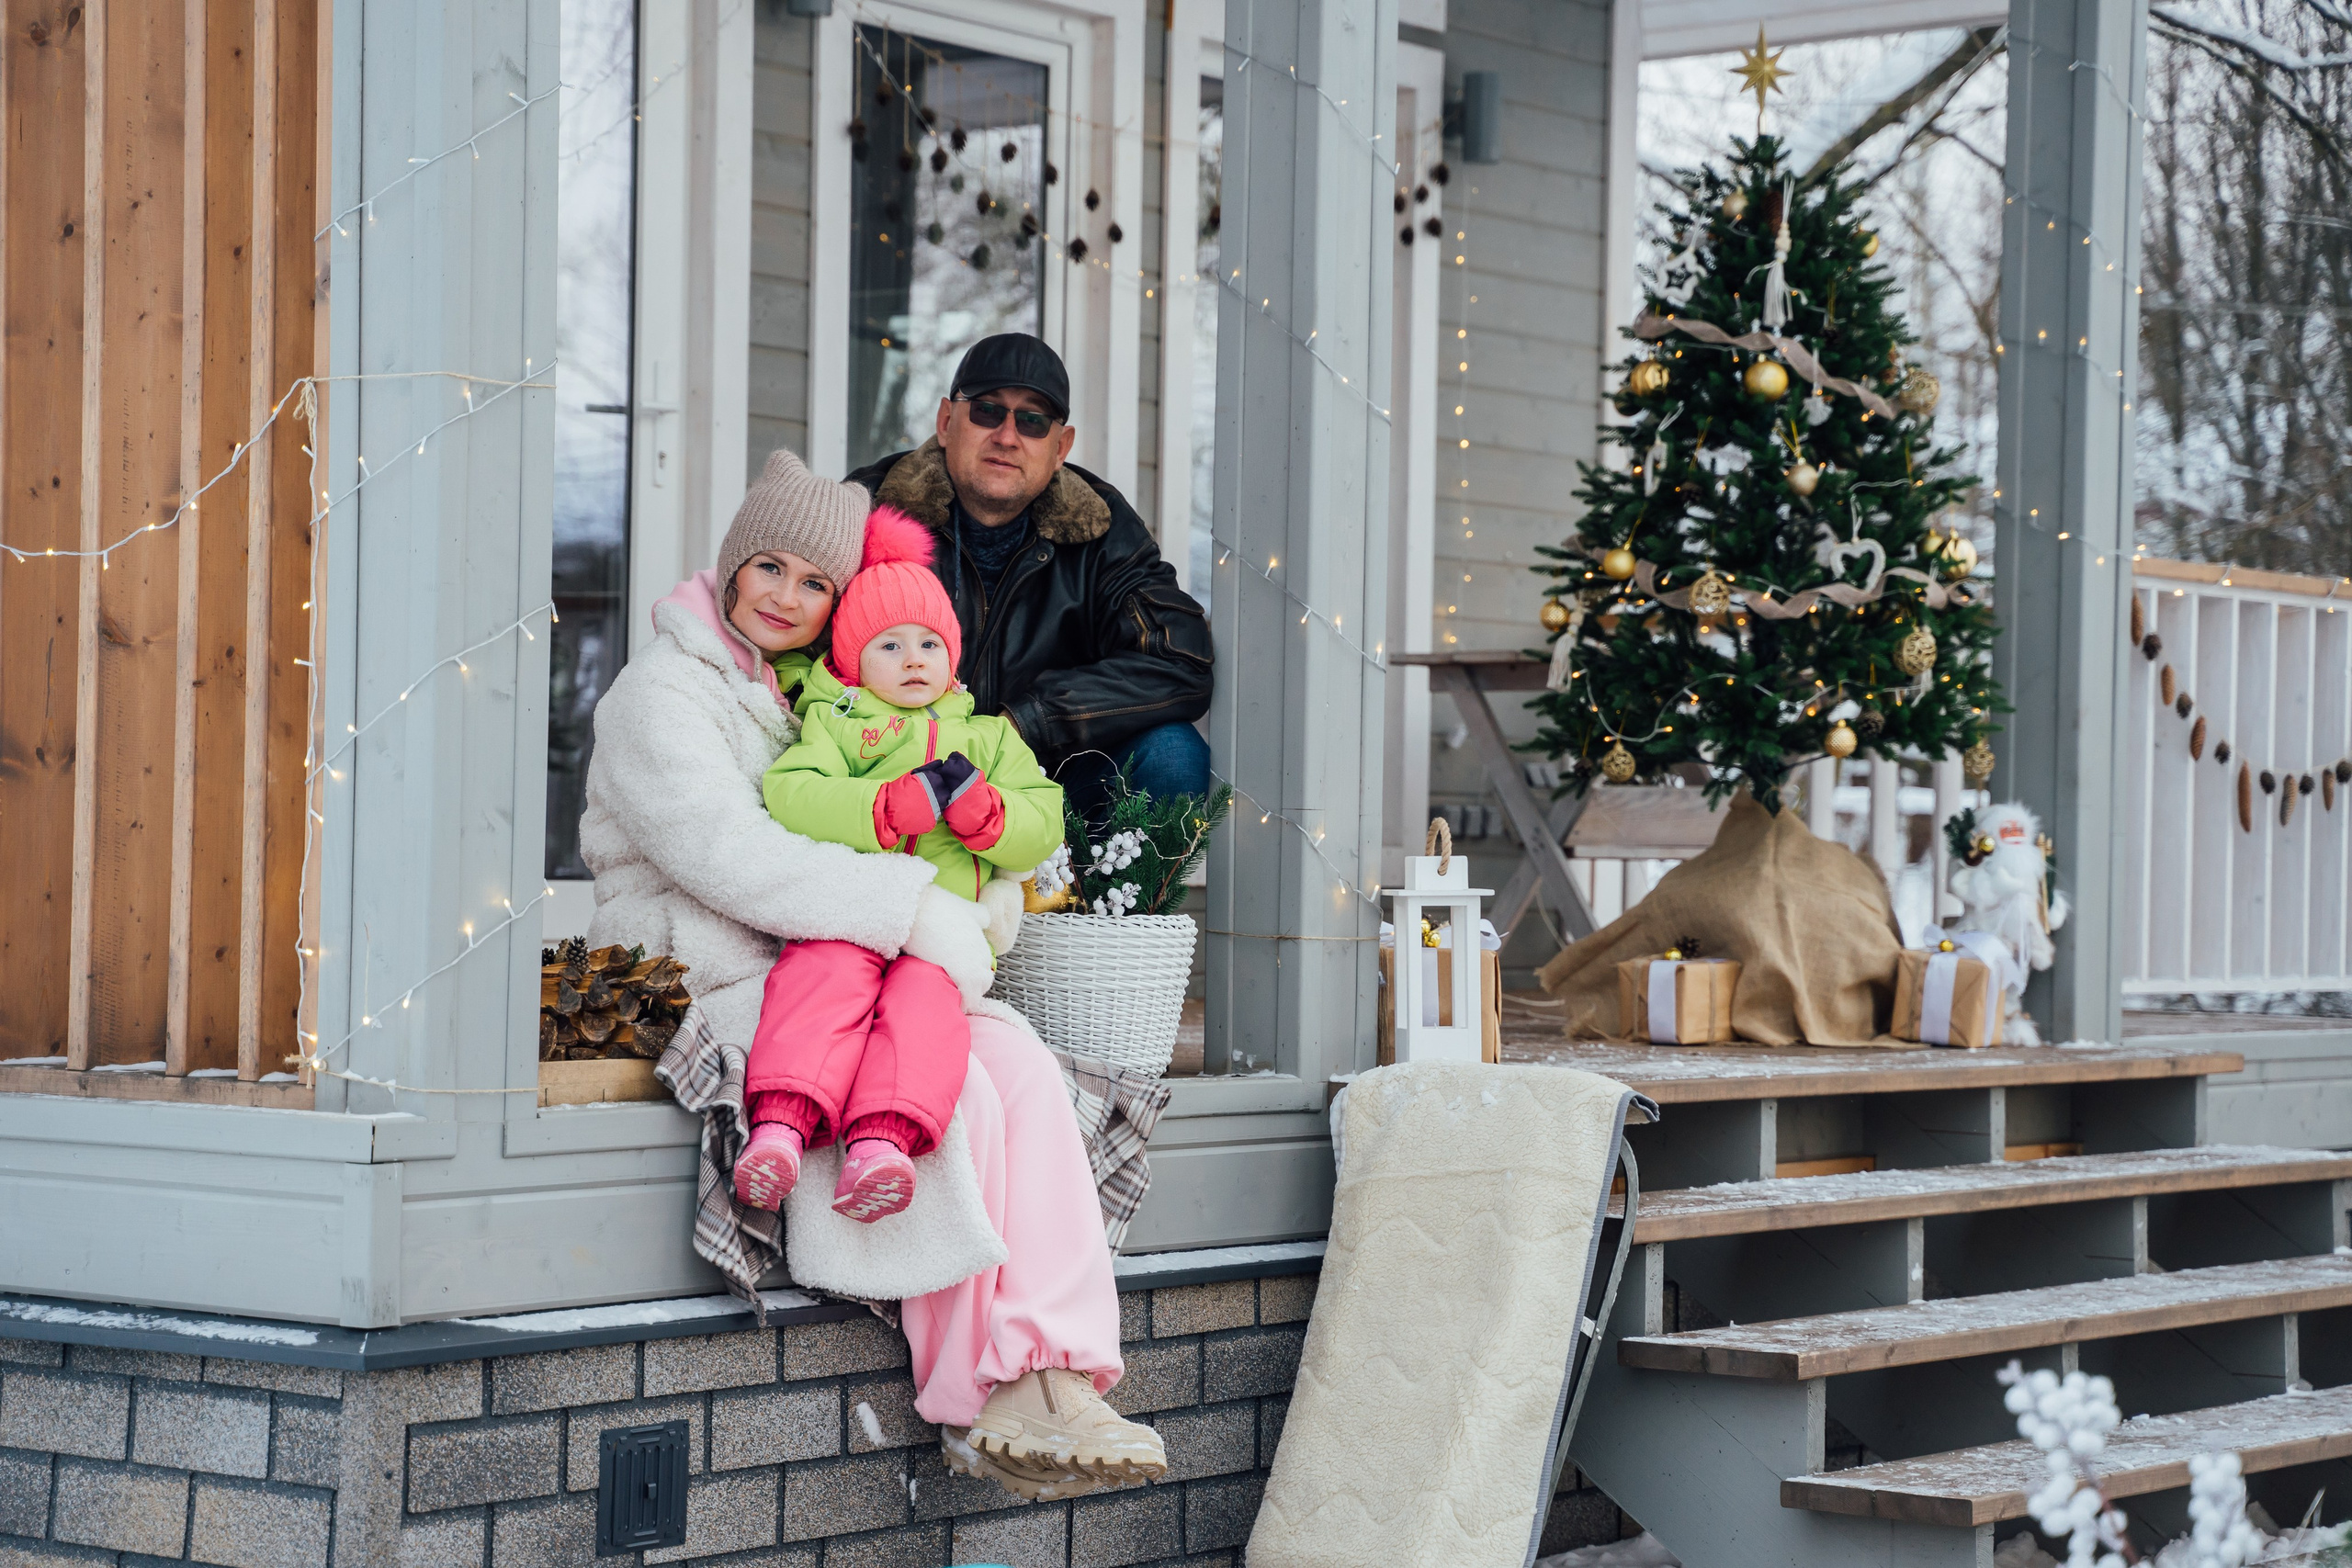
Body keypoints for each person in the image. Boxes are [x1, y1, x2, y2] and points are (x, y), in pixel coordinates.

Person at [579, 447, 1162, 1496]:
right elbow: (734, 857)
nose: (789, 599)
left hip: (843, 952)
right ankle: (972, 1396)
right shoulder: (660, 694)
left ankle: (1060, 1368)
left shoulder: (813, 695)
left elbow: (916, 827)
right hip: (707, 967)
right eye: (771, 570)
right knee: (955, 1094)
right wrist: (916, 913)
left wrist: (971, 892)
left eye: (816, 585)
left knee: (1020, 1067)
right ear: (730, 565)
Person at [736, 508, 1065, 1224]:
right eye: (889, 644)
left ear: (952, 654)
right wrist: (879, 807)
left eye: (928, 642)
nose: (914, 659)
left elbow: (1045, 819)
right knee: (817, 981)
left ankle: (881, 1144)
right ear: (855, 662)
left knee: (925, 1010)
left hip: (942, 930)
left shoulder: (989, 740)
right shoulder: (841, 723)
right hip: (857, 912)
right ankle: (781, 1127)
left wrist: (995, 821)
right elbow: (791, 792)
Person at [847, 333, 1214, 819]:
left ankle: (1092, 897)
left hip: (1042, 787)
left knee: (1172, 753)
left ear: (1061, 446)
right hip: (888, 775)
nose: (1006, 435)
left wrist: (1030, 721)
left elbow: (1180, 658)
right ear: (945, 421)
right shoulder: (871, 508)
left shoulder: (1101, 530)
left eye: (1033, 421)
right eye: (987, 411)